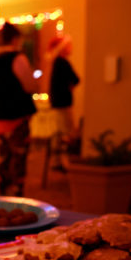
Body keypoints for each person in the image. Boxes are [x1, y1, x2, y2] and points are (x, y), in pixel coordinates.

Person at [0, 22, 37, 196]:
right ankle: (17, 190)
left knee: (3, 153)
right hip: (17, 112)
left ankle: (3, 186)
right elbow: (30, 85)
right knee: (19, 154)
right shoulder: (17, 57)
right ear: (15, 39)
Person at [48, 35, 80, 169]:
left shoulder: (55, 63)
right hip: (63, 103)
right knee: (65, 132)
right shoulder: (62, 63)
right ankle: (64, 162)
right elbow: (76, 79)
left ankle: (57, 161)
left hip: (57, 102)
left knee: (59, 131)